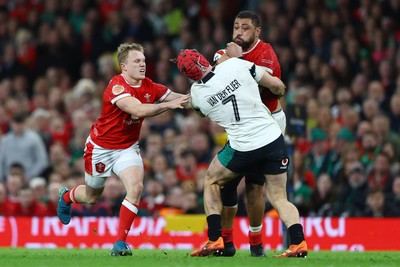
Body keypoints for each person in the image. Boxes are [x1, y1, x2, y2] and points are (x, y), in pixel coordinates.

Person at [56, 42, 190, 256]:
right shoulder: (117, 87)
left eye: (144, 60)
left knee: (135, 188)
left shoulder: (150, 86)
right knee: (91, 197)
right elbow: (138, 109)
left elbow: (183, 100)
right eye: (137, 61)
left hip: (127, 148)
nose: (142, 64)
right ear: (124, 66)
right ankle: (67, 197)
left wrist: (206, 99)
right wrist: (166, 105)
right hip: (100, 148)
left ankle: (119, 243)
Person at [174, 47, 307, 257]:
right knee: (279, 197)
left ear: (187, 75)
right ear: (203, 58)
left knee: (211, 180)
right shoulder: (236, 64)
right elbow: (275, 85)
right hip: (273, 138)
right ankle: (298, 242)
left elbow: (200, 112)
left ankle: (215, 238)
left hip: (244, 146)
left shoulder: (197, 94)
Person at [213, 11, 287, 257]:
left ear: (257, 32)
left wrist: (234, 61)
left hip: (265, 126)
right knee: (227, 185)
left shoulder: (265, 54)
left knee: (254, 187)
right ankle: (227, 242)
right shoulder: (226, 53)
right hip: (241, 126)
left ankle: (256, 244)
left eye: (245, 28)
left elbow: (257, 85)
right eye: (236, 27)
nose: (238, 32)